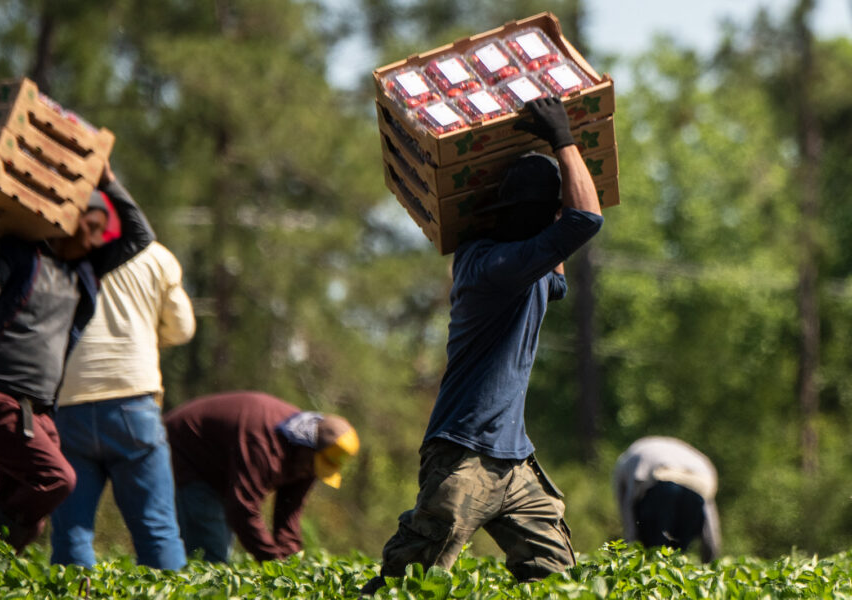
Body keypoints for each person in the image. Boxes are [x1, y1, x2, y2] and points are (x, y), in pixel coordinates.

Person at [361, 97, 604, 595]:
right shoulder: (493, 267)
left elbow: (560, 263)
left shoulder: (523, 264)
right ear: (542, 216)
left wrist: (555, 201)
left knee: (557, 577)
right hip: (463, 457)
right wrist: (562, 138)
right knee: (411, 582)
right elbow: (586, 222)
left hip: (513, 461)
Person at [0, 162, 154, 581]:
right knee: (56, 479)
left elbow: (140, 236)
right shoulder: (22, 255)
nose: (95, 238)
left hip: (38, 412)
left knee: (30, 514)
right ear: (65, 221)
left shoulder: (85, 273)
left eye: (100, 232)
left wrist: (109, 180)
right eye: (89, 226)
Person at [48, 229, 197, 570]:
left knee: (72, 533)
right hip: (132, 402)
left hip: (69, 402)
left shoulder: (58, 252)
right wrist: (143, 336)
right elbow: (182, 328)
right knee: (156, 530)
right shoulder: (155, 256)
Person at [162, 391, 359, 563]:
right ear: (307, 445)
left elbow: (288, 514)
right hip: (185, 452)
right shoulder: (264, 444)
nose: (311, 472)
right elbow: (242, 508)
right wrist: (273, 561)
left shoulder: (306, 460)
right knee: (211, 553)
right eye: (314, 465)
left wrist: (291, 567)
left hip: (221, 472)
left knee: (220, 548)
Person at [612, 436, 721, 562]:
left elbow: (628, 503)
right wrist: (711, 559)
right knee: (677, 553)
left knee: (654, 550)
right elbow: (709, 519)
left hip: (661, 484)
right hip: (697, 484)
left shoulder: (625, 461)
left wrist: (631, 543)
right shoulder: (694, 458)